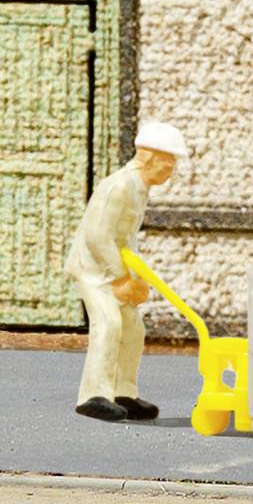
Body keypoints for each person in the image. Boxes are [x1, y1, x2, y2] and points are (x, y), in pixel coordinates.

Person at [67, 121, 189, 422]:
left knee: (133, 329)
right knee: (108, 323)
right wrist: (121, 278)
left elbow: (125, 238)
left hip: (114, 267)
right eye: (167, 164)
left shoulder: (139, 187)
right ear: (148, 157)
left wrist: (136, 278)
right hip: (94, 269)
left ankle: (123, 392)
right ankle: (93, 396)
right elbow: (98, 237)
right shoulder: (120, 186)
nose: (170, 172)